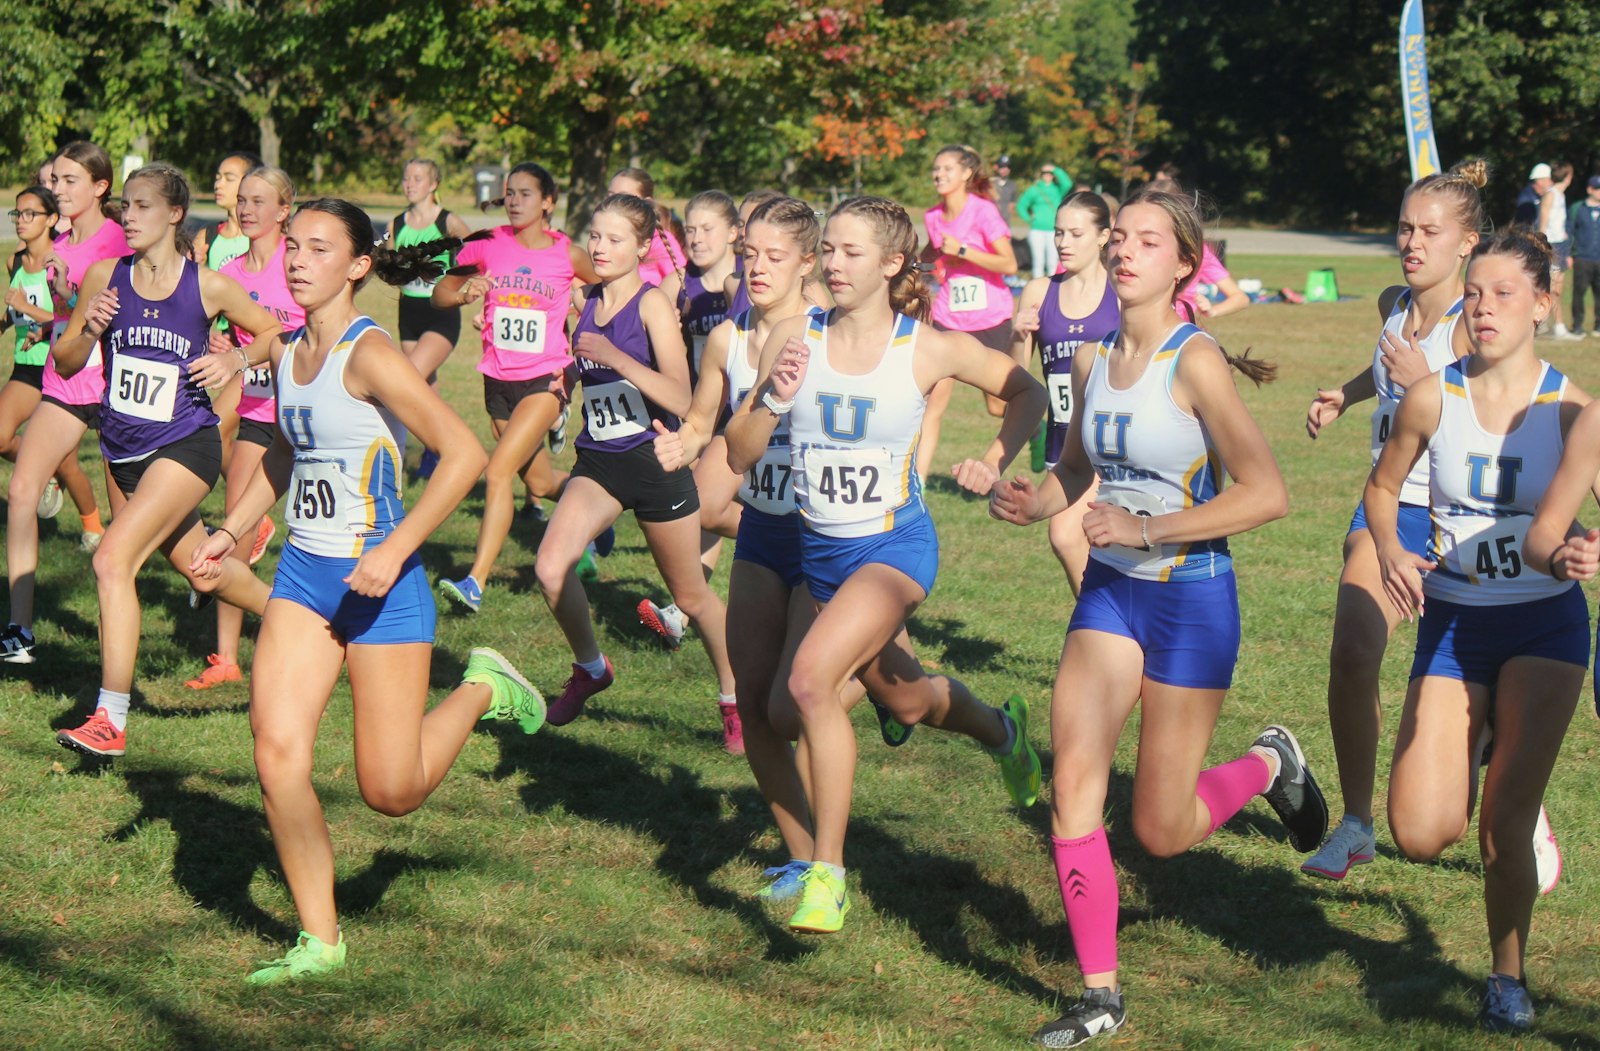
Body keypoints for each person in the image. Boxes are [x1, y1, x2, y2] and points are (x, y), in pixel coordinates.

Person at [991, 187, 1326, 1047]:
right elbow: (1074, 468)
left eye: (1151, 241)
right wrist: (1036, 500)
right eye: (1124, 239)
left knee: (1162, 829)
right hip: (1111, 594)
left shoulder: (1195, 361)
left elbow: (1269, 493)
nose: (1130, 252)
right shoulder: (1089, 360)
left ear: (1184, 263)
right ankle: (1100, 992)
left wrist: (1148, 527)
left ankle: (1267, 761)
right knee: (1073, 782)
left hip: (1191, 599)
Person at [187, 196, 544, 984]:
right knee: (277, 755)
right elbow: (285, 448)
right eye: (295, 247)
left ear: (356, 265)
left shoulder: (368, 352)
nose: (299, 260)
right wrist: (232, 526)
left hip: (384, 586)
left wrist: (397, 546)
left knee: (392, 791)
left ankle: (483, 686)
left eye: (320, 249)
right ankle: (320, 939)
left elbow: (461, 455)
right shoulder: (285, 353)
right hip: (306, 578)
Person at [727, 195, 1047, 935]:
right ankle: (1003, 731)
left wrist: (997, 456)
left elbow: (1022, 391)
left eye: (850, 252)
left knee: (807, 684)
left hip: (893, 550)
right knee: (880, 703)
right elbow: (740, 453)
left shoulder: (926, 347)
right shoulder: (790, 336)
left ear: (892, 263)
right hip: (820, 554)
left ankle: (827, 876)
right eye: (828, 250)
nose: (833, 264)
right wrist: (774, 397)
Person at [1300, 160, 1559, 889]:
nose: (1410, 242)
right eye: (1405, 227)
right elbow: (1385, 362)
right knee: (1353, 648)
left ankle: (1513, 786)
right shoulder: (1393, 301)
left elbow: (1484, 404)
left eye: (1429, 231)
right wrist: (1347, 395)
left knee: (1472, 677)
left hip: (1459, 520)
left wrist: (1419, 380)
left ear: (1468, 243)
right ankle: (1355, 824)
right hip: (1386, 507)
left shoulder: (1477, 327)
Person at [1375, 228, 1588, 1034]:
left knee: (1501, 830)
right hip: (1455, 622)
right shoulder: (1433, 394)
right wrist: (1392, 546)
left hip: (1544, 626)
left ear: (1542, 303)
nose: (1484, 306)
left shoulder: (1569, 409)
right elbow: (1382, 488)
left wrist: (1584, 549)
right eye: (1474, 293)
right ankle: (1491, 745)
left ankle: (1507, 972)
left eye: (1504, 293)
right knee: (1421, 832)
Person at [50, 163, 280, 758]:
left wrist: (236, 363)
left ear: (174, 214)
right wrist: (89, 327)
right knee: (202, 571)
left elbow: (272, 331)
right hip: (121, 451)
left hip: (186, 445)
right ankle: (299, 622)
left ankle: (110, 717)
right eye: (125, 205)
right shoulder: (107, 275)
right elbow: (69, 360)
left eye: (142, 206)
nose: (128, 216)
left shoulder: (207, 285)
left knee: (110, 560)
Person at [533, 192, 736, 736]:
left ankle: (733, 698)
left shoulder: (649, 305)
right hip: (598, 461)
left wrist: (615, 357)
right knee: (550, 569)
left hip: (653, 462)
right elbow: (594, 366)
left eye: (614, 239)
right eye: (595, 236)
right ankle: (591, 669)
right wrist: (572, 377)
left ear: (643, 247)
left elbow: (681, 393)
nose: (599, 248)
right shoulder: (588, 299)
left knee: (692, 596)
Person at [649, 196, 825, 762]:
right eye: (750, 254)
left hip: (827, 528)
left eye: (774, 256)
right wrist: (684, 442)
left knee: (820, 696)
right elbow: (704, 421)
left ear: (807, 263)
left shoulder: (826, 330)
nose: (757, 267)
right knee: (769, 701)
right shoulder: (728, 337)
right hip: (765, 530)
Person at [434, 162, 601, 613]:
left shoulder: (569, 255)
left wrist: (582, 331)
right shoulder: (488, 243)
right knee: (543, 483)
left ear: (548, 201)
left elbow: (611, 296)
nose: (513, 201)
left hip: (546, 379)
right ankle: (600, 507)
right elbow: (440, 294)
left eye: (525, 194)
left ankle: (476, 581)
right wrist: (465, 293)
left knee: (498, 472)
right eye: (509, 193)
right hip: (498, 380)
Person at [2, 142, 123, 664]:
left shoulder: (119, 240)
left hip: (118, 390)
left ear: (99, 187)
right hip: (66, 380)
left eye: (70, 181)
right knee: (24, 489)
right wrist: (58, 294)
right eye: (57, 181)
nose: (59, 190)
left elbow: (120, 321)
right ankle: (19, 630)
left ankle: (204, 559)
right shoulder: (60, 245)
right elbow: (67, 321)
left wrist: (69, 297)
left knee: (130, 527)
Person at [186, 165, 303, 690]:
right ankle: (228, 658)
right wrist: (222, 351)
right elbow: (215, 333)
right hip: (259, 412)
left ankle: (351, 634)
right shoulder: (229, 271)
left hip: (311, 411)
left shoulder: (299, 264)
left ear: (284, 210)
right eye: (243, 200)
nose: (248, 209)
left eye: (261, 201)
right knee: (231, 532)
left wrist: (242, 353)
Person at [637, 189, 745, 646]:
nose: (696, 239)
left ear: (734, 233)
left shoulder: (746, 283)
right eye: (691, 229)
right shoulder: (678, 286)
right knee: (702, 508)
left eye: (708, 229)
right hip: (701, 415)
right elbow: (634, 312)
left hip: (743, 416)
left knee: (701, 505)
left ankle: (792, 534)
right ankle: (682, 611)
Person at [1009, 190, 1119, 591]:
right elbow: (1014, 384)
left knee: (1067, 535)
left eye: (1075, 233)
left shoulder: (1121, 293)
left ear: (1104, 236)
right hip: (1064, 443)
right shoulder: (1040, 291)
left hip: (1108, 441)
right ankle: (1109, 632)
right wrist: (1018, 336)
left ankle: (1103, 629)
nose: (1063, 243)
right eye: (1058, 233)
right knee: (1080, 541)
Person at [2, 185, 102, 541]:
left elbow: (67, 315)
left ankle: (93, 528)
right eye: (18, 214)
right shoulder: (15, 260)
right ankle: (43, 470)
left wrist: (30, 314)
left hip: (60, 366)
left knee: (67, 462)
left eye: (31, 214)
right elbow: (13, 312)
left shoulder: (60, 261)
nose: (21, 221)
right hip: (25, 366)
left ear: (51, 220)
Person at [918, 145, 1019, 483]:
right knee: (934, 402)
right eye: (936, 168)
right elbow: (929, 255)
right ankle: (916, 487)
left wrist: (963, 250)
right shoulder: (932, 217)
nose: (939, 174)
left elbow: (1009, 263)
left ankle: (1035, 426)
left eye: (947, 168)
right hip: (949, 316)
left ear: (966, 174)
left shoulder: (983, 212)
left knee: (996, 405)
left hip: (990, 317)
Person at [608, 168, 685, 304]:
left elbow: (682, 282)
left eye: (624, 197)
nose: (614, 202)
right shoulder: (602, 238)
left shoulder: (659, 240)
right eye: (610, 195)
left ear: (646, 202)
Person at [1537, 163, 1580, 339]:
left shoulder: (1560, 195)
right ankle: (1557, 326)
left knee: (1557, 289)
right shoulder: (1551, 194)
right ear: (1568, 176)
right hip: (1551, 244)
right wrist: (1541, 245)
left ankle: (1549, 323)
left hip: (1561, 243)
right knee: (1553, 288)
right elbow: (1543, 222)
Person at [1016, 164, 1073, 278]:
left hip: (1053, 230)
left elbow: (1068, 183)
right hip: (1037, 229)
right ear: (1041, 175)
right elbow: (1021, 205)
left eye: (1050, 174)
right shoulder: (1034, 190)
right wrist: (1029, 218)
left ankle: (1053, 287)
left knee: (1053, 261)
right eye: (1045, 174)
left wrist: (1055, 169)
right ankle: (1038, 288)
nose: (1047, 176)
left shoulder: (1057, 190)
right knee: (1038, 261)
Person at [1566, 175, 1600, 336]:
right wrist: (1570, 254)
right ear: (1589, 189)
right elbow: (1570, 231)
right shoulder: (1578, 208)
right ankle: (1577, 325)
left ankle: (1598, 326)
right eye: (1597, 189)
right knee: (1578, 293)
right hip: (1582, 257)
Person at [1511, 163, 1550, 229]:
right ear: (1540, 181)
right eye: (1549, 179)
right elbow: (1526, 224)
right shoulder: (1526, 197)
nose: (1551, 182)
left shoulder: (1545, 195)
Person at [993, 154, 1020, 222]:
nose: (1005, 169)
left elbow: (1012, 204)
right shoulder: (990, 184)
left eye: (1008, 166)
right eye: (1002, 166)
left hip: (1005, 222)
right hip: (991, 222)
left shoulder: (1012, 185)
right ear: (997, 167)